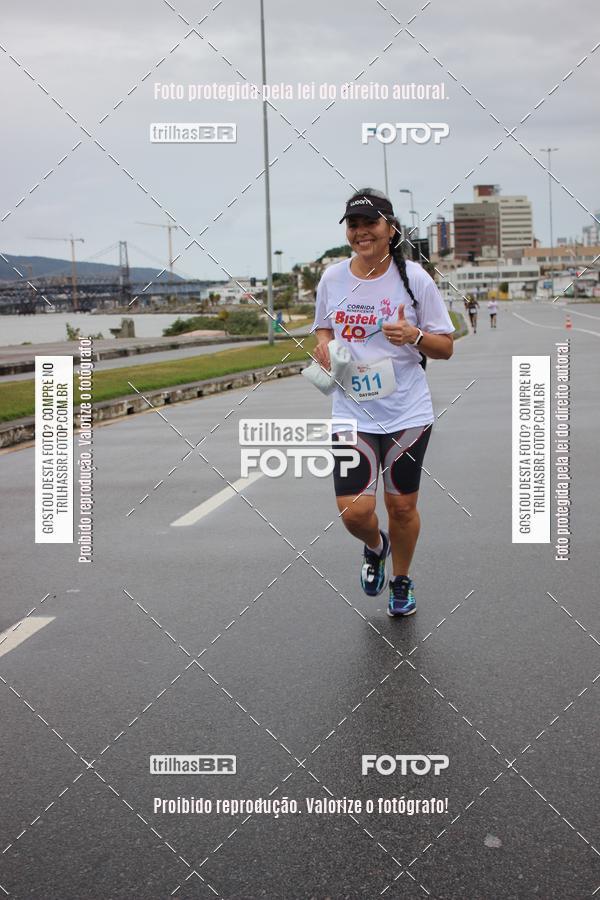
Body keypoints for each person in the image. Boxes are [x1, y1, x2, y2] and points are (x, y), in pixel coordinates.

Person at [311, 188, 454, 617]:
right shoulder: (333, 278)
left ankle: (401, 580)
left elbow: (445, 347)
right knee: (354, 512)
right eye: (353, 225)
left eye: (370, 223)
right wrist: (324, 345)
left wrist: (414, 336)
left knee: (402, 505)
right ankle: (376, 546)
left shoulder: (417, 280)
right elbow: (323, 327)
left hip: (407, 412)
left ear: (390, 229)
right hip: (351, 411)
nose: (361, 232)